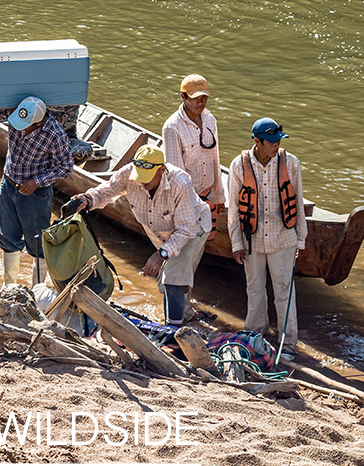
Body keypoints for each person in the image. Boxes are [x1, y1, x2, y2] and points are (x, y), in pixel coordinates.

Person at [67, 145, 211, 327]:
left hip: (194, 227)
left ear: (162, 170)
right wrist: (88, 199)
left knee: (173, 276)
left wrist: (161, 255)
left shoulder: (180, 183)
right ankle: (186, 315)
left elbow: (186, 230)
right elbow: (106, 191)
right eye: (140, 176)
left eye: (148, 178)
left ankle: (173, 330)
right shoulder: (128, 173)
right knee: (172, 278)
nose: (142, 183)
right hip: (163, 229)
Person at [0, 74, 74, 287]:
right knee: (7, 237)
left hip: (35, 194)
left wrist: (37, 181)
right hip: (9, 184)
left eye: (26, 125)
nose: (20, 127)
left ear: (39, 122)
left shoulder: (55, 134)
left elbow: (66, 166)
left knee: (38, 244)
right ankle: (10, 286)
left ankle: (37, 289)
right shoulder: (17, 113)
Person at [226, 117, 307, 360]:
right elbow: (233, 211)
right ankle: (254, 337)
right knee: (255, 290)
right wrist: (236, 243)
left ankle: (288, 344)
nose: (276, 145)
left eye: (278, 140)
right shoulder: (238, 166)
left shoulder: (290, 163)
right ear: (257, 141)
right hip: (252, 240)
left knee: (284, 293)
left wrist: (300, 240)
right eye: (270, 141)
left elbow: (299, 203)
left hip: (283, 239)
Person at [162, 73, 224, 319]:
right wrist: (190, 208)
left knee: (196, 257)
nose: (201, 103)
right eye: (196, 98)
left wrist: (218, 198)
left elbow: (215, 160)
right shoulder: (172, 127)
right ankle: (182, 310)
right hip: (188, 202)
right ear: (183, 97)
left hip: (208, 198)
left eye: (205, 98)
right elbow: (176, 173)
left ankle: (187, 307)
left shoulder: (210, 119)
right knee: (183, 258)